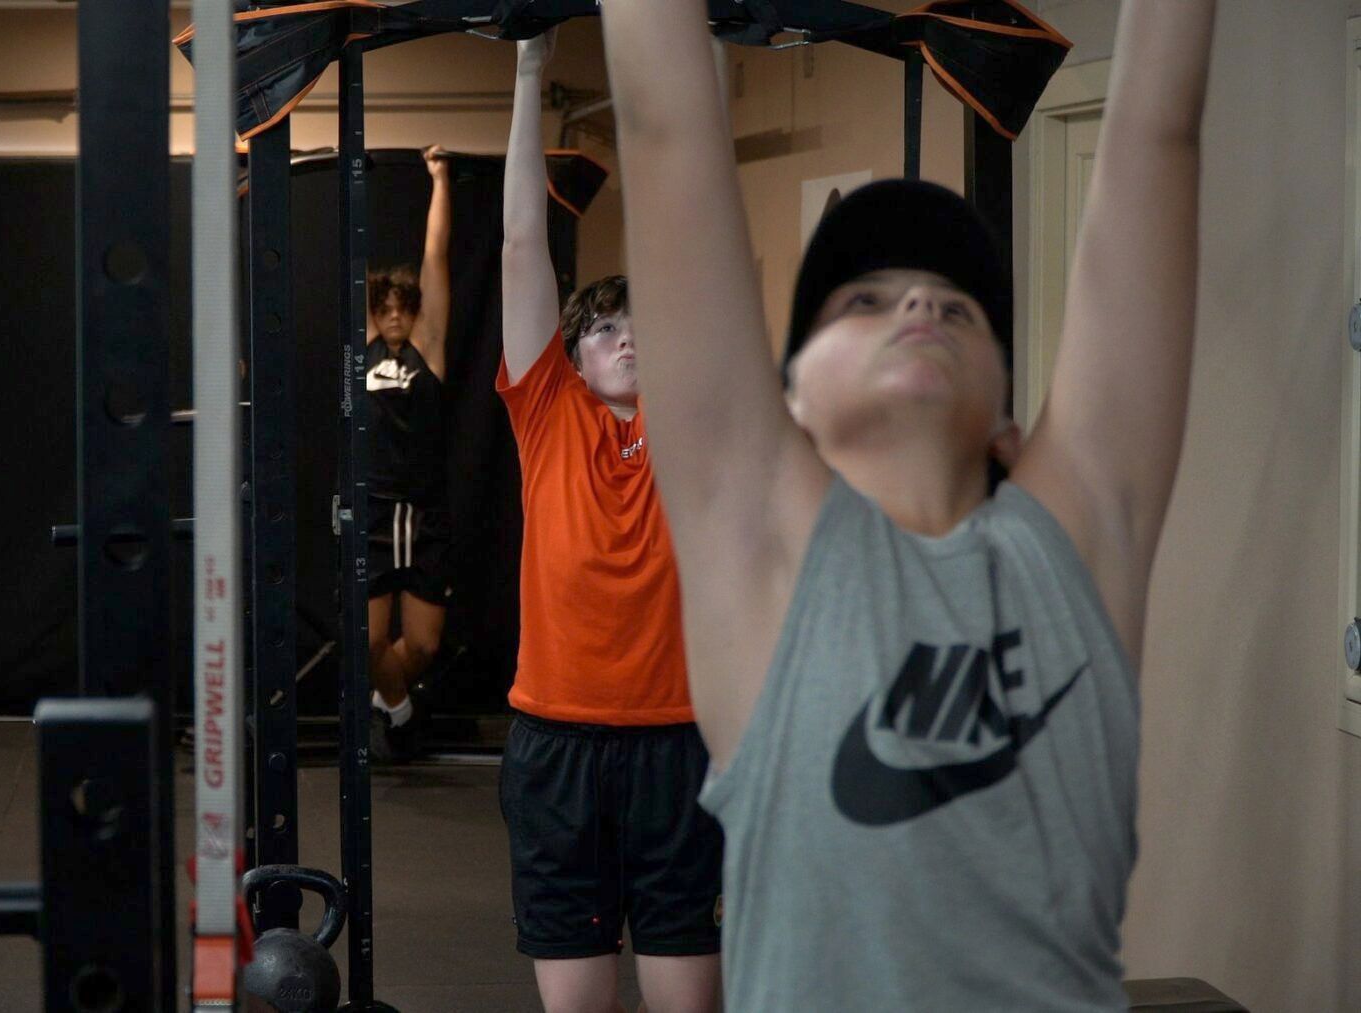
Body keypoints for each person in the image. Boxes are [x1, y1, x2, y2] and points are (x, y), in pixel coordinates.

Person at [599, 1, 1213, 1009]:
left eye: (958, 308)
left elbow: (1158, 129)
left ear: (1009, 421)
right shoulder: (763, 545)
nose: (922, 303)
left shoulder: (1070, 549)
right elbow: (663, 121)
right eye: (865, 301)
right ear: (790, 400)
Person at [495, 33, 721, 1013]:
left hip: (680, 741)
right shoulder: (548, 411)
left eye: (640, 327)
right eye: (601, 330)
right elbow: (520, 245)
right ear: (573, 355)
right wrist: (528, 70)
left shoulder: (697, 418)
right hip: (559, 742)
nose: (625, 340)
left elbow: (702, 242)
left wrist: (696, 61)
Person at [365, 146, 453, 763]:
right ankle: (396, 709)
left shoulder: (429, 349)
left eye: (404, 307)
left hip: (423, 514)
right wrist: (351, 175)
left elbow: (434, 258)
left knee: (421, 647)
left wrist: (439, 179)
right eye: (385, 308)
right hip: (372, 511)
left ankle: (388, 700)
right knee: (367, 643)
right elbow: (353, 265)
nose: (395, 315)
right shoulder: (364, 349)